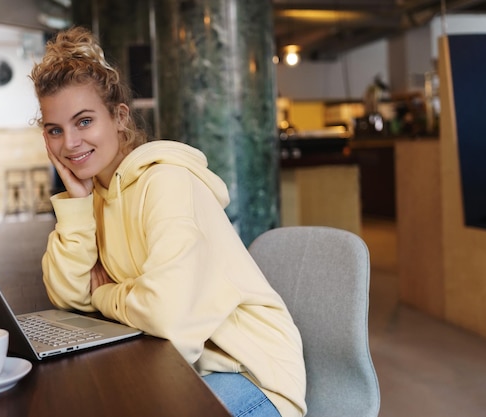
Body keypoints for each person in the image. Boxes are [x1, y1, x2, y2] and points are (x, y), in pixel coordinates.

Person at [29, 26, 306, 417]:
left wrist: (104, 295)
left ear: (120, 117)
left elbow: (167, 316)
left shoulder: (167, 182)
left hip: (251, 375)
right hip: (181, 368)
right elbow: (67, 296)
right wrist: (78, 201)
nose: (70, 143)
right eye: (55, 130)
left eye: (84, 121)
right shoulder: (94, 196)